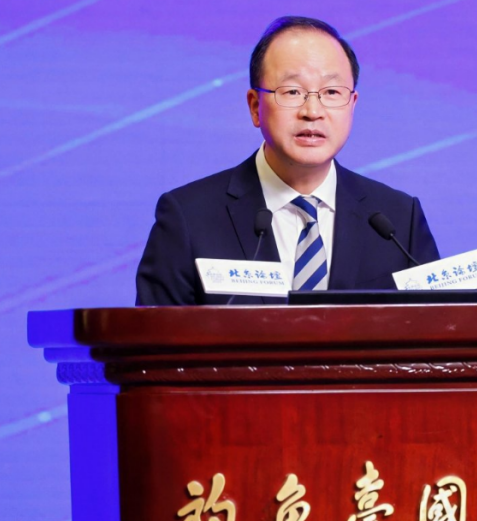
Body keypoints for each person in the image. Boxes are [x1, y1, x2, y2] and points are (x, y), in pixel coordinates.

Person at [136, 16, 440, 305]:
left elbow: (437, 331)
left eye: (332, 92)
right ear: (255, 106)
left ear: (352, 105)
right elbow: (154, 339)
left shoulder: (398, 220)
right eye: (292, 91)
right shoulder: (189, 217)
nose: (312, 111)